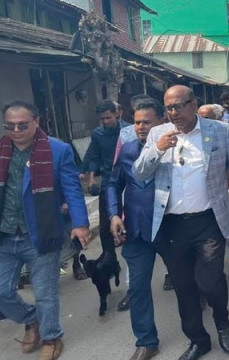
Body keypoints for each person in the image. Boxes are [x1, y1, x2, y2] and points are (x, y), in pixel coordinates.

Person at [133, 85, 229, 359]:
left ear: (194, 104)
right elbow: (140, 173)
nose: (174, 112)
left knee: (210, 281)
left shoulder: (220, 131)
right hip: (171, 225)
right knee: (183, 286)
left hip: (209, 220)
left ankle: (222, 321)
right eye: (168, 108)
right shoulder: (158, 133)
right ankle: (198, 340)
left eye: (179, 106)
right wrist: (157, 149)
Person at [0, 101, 91, 360]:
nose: (16, 130)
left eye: (22, 125)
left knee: (45, 292)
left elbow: (72, 188)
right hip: (2, 234)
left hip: (41, 233)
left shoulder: (58, 150)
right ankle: (31, 319)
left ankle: (51, 336)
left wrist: (80, 224)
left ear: (36, 121)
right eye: (9, 126)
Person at [107, 99, 167, 360]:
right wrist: (113, 214)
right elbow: (113, 184)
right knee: (139, 287)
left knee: (189, 281)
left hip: (170, 229)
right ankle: (146, 340)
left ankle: (197, 324)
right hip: (136, 230)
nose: (141, 127)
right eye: (137, 122)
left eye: (147, 122)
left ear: (161, 122)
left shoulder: (176, 147)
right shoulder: (128, 149)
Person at [81, 100, 132, 310]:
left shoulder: (130, 131)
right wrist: (91, 175)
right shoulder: (98, 134)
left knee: (131, 228)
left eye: (108, 117)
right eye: (102, 119)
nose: (105, 122)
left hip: (129, 184)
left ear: (117, 113)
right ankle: (111, 259)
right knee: (105, 228)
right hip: (109, 185)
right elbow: (93, 155)